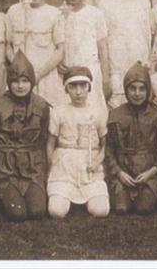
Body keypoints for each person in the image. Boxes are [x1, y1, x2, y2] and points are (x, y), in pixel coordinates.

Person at [0, 51, 50, 221]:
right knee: (18, 214)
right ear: (9, 83)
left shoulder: (41, 106)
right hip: (6, 169)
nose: (20, 86)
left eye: (25, 81)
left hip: (31, 167)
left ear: (32, 81)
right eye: (15, 81)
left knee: (37, 212)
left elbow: (42, 140)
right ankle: (1, 195)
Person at [46, 67, 110, 219]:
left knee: (101, 211)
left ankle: (88, 198)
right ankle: (64, 196)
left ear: (89, 87)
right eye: (73, 86)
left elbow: (105, 144)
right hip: (64, 165)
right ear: (66, 89)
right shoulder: (58, 112)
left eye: (83, 86)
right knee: (56, 211)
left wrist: (97, 162)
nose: (78, 91)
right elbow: (50, 144)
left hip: (89, 165)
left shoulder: (99, 111)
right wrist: (52, 165)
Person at [105, 62, 157, 216]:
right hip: (123, 171)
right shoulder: (115, 115)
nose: (137, 93)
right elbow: (109, 149)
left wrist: (151, 173)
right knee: (121, 208)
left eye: (142, 89)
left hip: (148, 171)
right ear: (126, 89)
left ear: (148, 90)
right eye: (132, 88)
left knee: (143, 208)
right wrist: (119, 173)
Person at [99, 0, 153, 107]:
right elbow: (103, 43)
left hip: (140, 63)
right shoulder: (105, 4)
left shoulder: (144, 3)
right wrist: (106, 75)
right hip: (116, 68)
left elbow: (147, 36)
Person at [7, 0, 66, 109]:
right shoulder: (13, 11)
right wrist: (19, 69)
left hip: (45, 74)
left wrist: (39, 74)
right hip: (20, 76)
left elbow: (60, 49)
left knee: (48, 110)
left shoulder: (53, 13)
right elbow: (8, 46)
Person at [57, 0, 111, 114]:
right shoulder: (57, 15)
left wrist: (106, 77)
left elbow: (103, 48)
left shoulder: (95, 14)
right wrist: (58, 63)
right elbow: (56, 46)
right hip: (66, 72)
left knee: (92, 112)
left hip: (90, 70)